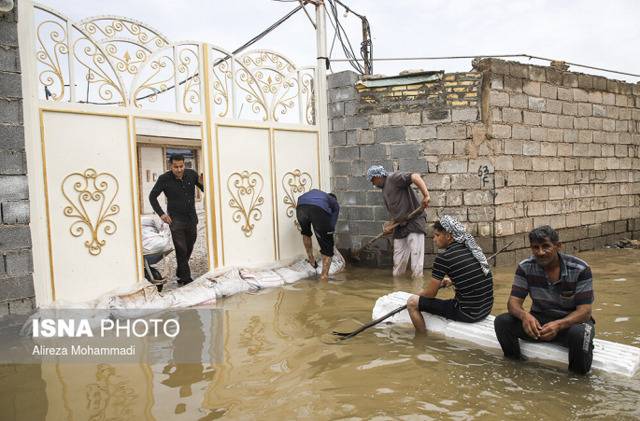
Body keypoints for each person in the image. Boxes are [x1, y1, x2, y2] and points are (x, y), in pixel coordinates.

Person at [494, 225, 595, 375]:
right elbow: (513, 303)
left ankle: (576, 382)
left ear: (558, 246)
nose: (540, 252)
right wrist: (525, 316)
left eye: (546, 246)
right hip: (540, 323)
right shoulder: (525, 267)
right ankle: (516, 367)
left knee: (581, 334)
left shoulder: (580, 269)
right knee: (502, 322)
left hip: (570, 323)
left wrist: (559, 325)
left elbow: (585, 312)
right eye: (536, 247)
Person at [406, 215, 494, 333]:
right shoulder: (472, 249)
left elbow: (430, 294)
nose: (434, 239)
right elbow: (474, 276)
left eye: (437, 235)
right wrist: (452, 281)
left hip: (468, 313)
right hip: (486, 308)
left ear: (448, 236)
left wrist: (416, 295)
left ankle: (422, 340)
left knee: (412, 303)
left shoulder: (444, 258)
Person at [149, 154, 204, 286]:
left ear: (184, 164)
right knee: (181, 249)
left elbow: (204, 189)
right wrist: (162, 214)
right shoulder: (164, 179)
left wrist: (203, 183)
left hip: (191, 218)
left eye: (181, 166)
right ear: (170, 166)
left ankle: (180, 272)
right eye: (175, 167)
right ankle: (186, 279)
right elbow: (152, 197)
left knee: (189, 247)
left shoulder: (192, 174)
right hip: (175, 220)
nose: (179, 169)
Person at [367, 165, 430, 278]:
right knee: (398, 263)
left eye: (373, 180)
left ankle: (417, 289)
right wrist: (389, 226)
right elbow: (396, 212)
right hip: (400, 226)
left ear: (378, 176)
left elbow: (415, 176)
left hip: (414, 221)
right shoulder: (384, 190)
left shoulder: (393, 178)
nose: (373, 184)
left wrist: (426, 195)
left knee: (416, 264)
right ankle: (398, 287)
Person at [295, 189, 340, 282]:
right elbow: (332, 223)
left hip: (300, 206)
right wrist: (328, 236)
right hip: (317, 208)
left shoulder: (321, 195)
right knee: (328, 247)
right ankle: (324, 277)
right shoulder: (334, 202)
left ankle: (311, 260)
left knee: (306, 232)